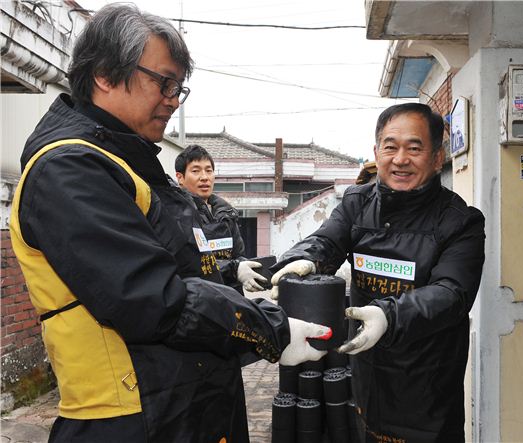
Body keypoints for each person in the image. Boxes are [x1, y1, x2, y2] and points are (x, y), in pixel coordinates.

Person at [9, 4, 330, 442]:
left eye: (180, 87)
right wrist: (270, 328)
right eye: (164, 82)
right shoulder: (69, 170)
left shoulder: (134, 164)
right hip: (133, 419)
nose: (173, 98)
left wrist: (251, 278)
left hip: (183, 403)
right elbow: (155, 300)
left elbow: (186, 270)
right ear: (104, 74)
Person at [270, 103, 486, 442]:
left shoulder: (461, 221)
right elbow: (327, 240)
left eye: (414, 148)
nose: (400, 159)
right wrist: (304, 259)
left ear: (436, 156)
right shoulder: (357, 204)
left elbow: (452, 293)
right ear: (376, 151)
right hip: (366, 371)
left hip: (427, 384)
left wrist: (389, 314)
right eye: (390, 147)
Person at [174, 144, 266, 294]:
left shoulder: (227, 214)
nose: (204, 177)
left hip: (232, 298)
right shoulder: (176, 214)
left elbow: (238, 254)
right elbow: (189, 264)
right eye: (196, 171)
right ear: (180, 178)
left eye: (209, 171)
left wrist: (244, 266)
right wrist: (234, 268)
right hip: (197, 300)